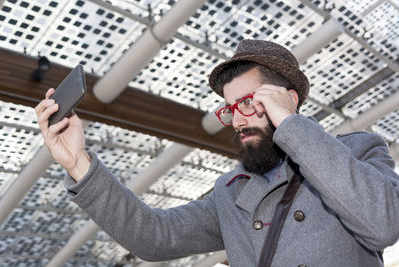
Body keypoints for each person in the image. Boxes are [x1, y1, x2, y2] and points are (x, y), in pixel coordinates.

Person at [35, 39, 399, 266]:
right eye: (229, 108)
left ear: (287, 100)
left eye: (247, 102)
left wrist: (289, 125)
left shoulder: (357, 150)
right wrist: (78, 163)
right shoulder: (233, 192)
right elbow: (155, 236)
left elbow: (384, 225)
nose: (236, 120)